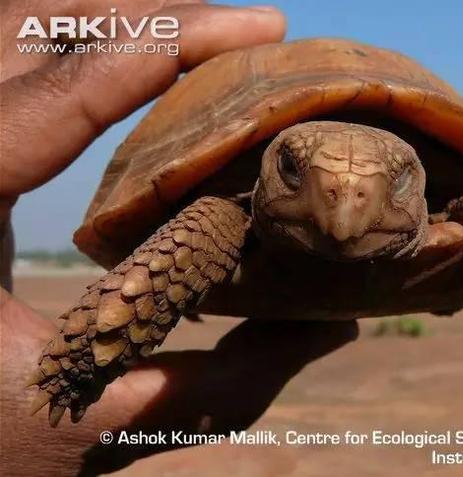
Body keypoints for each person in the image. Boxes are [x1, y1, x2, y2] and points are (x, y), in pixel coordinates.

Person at [0, 3, 357, 475]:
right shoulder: (216, 221)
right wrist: (76, 367)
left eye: (390, 183)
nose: (344, 200)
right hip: (219, 219)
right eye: (293, 172)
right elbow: (212, 218)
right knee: (214, 219)